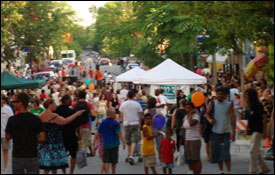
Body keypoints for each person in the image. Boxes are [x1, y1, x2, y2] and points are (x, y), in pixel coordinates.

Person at [38, 99, 84, 174]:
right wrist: (76, 114)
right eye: (53, 104)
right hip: (54, 144)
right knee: (49, 168)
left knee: (51, 167)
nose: (55, 105)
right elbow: (65, 121)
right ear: (49, 105)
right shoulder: (54, 116)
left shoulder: (41, 115)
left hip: (46, 144)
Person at [5, 92, 46, 174]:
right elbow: (42, 138)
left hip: (17, 156)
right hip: (32, 155)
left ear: (20, 103)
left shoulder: (12, 120)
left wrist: (17, 134)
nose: (12, 104)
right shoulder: (35, 119)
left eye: (14, 102)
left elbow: (7, 137)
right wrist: (33, 137)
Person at [205, 87, 236, 174]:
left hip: (226, 132)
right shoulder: (212, 104)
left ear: (225, 95)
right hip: (215, 132)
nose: (219, 95)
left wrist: (233, 131)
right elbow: (206, 114)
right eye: (218, 94)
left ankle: (228, 171)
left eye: (221, 94)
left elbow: (233, 118)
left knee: (226, 153)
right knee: (217, 153)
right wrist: (210, 120)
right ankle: (221, 170)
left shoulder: (229, 104)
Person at [244, 88, 270, 174]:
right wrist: (246, 129)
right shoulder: (248, 106)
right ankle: (264, 167)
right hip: (252, 130)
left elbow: (264, 118)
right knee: (256, 151)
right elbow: (248, 119)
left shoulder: (258, 105)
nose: (246, 96)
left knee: (252, 151)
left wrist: (264, 131)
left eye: (248, 95)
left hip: (258, 129)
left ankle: (253, 170)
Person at [55, 95, 79, 174]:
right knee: (73, 155)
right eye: (70, 100)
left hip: (60, 135)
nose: (71, 101)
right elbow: (76, 125)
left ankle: (64, 172)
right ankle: (71, 172)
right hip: (71, 135)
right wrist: (79, 135)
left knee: (62, 155)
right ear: (66, 101)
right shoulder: (72, 112)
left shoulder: (56, 110)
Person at [98, 108, 126, 174]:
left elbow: (99, 132)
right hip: (114, 144)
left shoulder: (103, 122)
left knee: (106, 160)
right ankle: (113, 172)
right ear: (110, 114)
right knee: (114, 161)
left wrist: (101, 140)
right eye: (114, 113)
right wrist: (123, 142)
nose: (115, 114)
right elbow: (119, 133)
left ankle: (107, 172)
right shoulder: (115, 123)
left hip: (106, 144)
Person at [119, 90, 143, 165]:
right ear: (134, 96)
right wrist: (140, 123)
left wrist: (123, 121)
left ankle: (130, 155)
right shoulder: (137, 104)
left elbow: (121, 114)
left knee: (128, 141)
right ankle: (131, 156)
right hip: (135, 123)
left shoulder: (123, 104)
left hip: (127, 123)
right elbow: (140, 115)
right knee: (134, 140)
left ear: (127, 96)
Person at [71, 90, 95, 155]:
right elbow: (93, 114)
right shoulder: (88, 104)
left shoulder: (74, 104)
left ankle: (79, 158)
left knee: (79, 142)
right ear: (85, 97)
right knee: (85, 143)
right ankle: (82, 159)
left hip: (77, 127)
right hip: (86, 125)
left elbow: (70, 113)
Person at [183, 102, 202, 174]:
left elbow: (191, 123)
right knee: (190, 159)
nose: (187, 109)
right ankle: (193, 172)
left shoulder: (196, 116)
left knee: (196, 159)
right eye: (186, 108)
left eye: (189, 108)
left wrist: (190, 113)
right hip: (187, 140)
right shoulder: (185, 117)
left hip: (195, 140)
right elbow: (184, 127)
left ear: (193, 109)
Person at [1, 96, 14, 174]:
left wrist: (10, 132)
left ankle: (4, 169)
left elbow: (11, 121)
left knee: (5, 152)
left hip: (5, 134)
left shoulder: (8, 109)